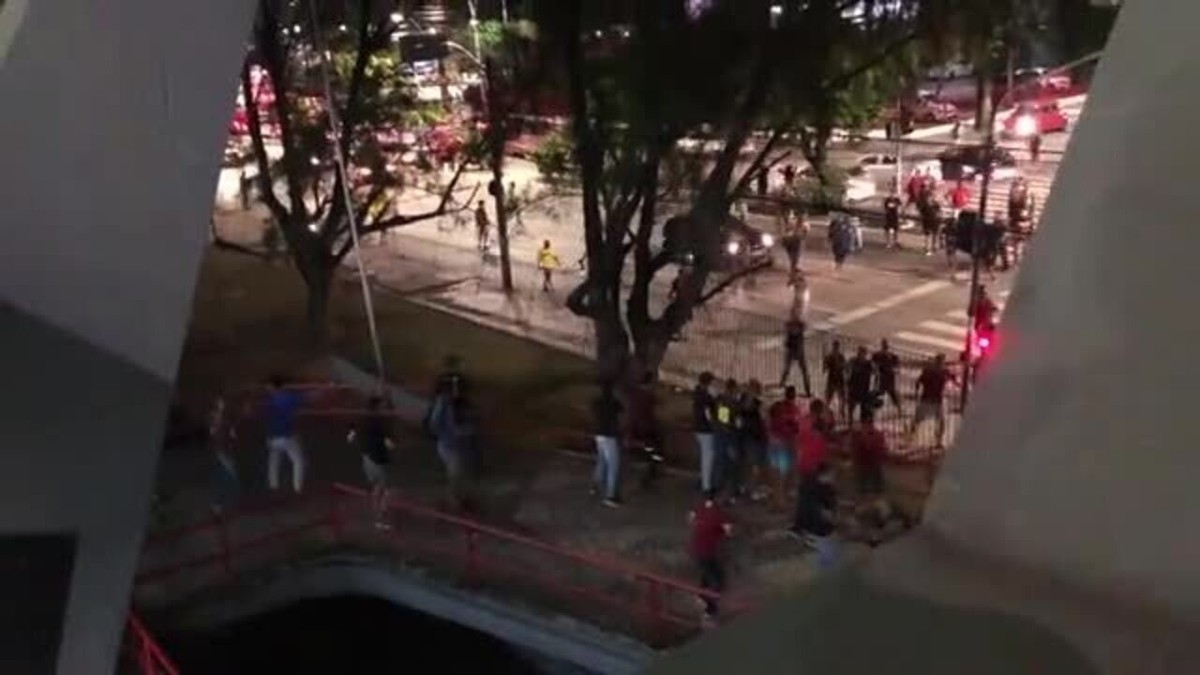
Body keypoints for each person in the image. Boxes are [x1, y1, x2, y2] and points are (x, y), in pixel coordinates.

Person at [347, 395, 395, 528]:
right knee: (384, 490)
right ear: (377, 407)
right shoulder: (377, 423)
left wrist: (351, 435)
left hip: (367, 458)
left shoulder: (362, 419)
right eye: (381, 406)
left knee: (377, 489)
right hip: (377, 459)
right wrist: (388, 442)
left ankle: (379, 517)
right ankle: (381, 518)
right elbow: (386, 441)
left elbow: (352, 430)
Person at [429, 388, 479, 509]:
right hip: (450, 447)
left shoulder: (447, 406)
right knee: (455, 475)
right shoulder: (446, 406)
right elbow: (443, 428)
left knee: (458, 473)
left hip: (451, 446)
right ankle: (454, 502)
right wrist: (467, 431)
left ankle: (457, 499)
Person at [689, 489, 733, 624]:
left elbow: (690, 519)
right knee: (716, 580)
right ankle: (710, 611)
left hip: (696, 549)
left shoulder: (698, 508)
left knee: (708, 572)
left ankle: (700, 595)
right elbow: (728, 531)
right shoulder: (719, 514)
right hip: (709, 551)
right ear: (716, 498)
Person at [789, 461, 839, 570]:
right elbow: (812, 509)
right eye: (832, 474)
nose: (834, 477)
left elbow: (831, 509)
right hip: (814, 527)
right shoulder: (810, 487)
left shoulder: (829, 489)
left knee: (829, 557)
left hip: (819, 527)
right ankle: (808, 536)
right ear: (826, 473)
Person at [264, 376, 307, 494]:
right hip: (286, 436)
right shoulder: (289, 398)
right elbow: (307, 397)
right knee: (298, 461)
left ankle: (273, 487)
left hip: (273, 438)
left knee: (273, 462)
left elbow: (263, 417)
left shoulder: (269, 401)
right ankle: (297, 488)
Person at [907, 353, 956, 449]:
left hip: (930, 398)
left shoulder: (931, 371)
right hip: (933, 399)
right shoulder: (941, 371)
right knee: (938, 421)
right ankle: (937, 441)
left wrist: (916, 393)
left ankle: (911, 437)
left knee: (921, 419)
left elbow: (918, 382)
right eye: (941, 361)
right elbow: (952, 378)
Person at [625, 371, 664, 491]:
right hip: (645, 430)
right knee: (652, 452)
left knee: (651, 452)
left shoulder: (635, 394)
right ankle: (648, 475)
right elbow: (649, 413)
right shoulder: (647, 396)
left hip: (636, 428)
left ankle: (650, 472)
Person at [766, 386, 802, 510]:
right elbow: (795, 427)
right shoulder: (793, 410)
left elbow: (769, 421)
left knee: (776, 472)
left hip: (773, 442)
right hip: (782, 443)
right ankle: (780, 501)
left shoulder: (777, 406)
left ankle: (777, 499)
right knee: (782, 473)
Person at [590, 382, 624, 507]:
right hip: (610, 436)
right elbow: (622, 412)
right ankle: (610, 495)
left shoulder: (596, 403)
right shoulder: (614, 404)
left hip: (598, 435)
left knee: (602, 461)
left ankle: (595, 485)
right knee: (613, 465)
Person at [736, 380, 767, 502]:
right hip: (753, 438)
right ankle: (753, 490)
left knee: (750, 464)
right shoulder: (755, 405)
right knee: (755, 465)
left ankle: (746, 486)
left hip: (747, 437)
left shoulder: (741, 402)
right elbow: (763, 419)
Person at [208, 395, 239, 514]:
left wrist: (232, 433)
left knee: (226, 475)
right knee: (226, 475)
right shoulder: (214, 416)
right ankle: (217, 504)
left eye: (223, 402)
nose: (223, 404)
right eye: (220, 402)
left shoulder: (225, 417)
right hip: (220, 451)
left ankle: (220, 503)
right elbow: (213, 433)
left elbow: (231, 433)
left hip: (226, 449)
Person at [714, 378, 741, 500]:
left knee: (723, 464)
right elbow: (724, 421)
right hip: (728, 437)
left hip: (723, 436)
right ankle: (724, 493)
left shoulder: (722, 400)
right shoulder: (727, 402)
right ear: (732, 389)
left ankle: (721, 490)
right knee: (728, 465)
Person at [692, 372, 719, 493]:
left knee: (705, 456)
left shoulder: (697, 393)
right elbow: (708, 414)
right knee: (707, 457)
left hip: (698, 428)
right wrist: (714, 425)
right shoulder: (706, 397)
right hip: (706, 430)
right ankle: (706, 486)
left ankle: (703, 480)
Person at [852, 411, 888, 498]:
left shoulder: (861, 435)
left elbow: (882, 450)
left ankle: (870, 490)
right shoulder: (860, 435)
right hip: (868, 465)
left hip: (870, 465)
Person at [779, 316, 812, 396]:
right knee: (787, 370)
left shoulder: (798, 325)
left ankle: (807, 390)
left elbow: (804, 326)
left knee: (804, 372)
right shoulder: (791, 326)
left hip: (798, 351)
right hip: (793, 351)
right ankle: (781, 385)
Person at [846, 346, 876, 423]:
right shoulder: (853, 361)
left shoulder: (868, 364)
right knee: (851, 409)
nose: (860, 354)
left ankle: (862, 423)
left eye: (863, 353)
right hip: (854, 389)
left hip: (863, 390)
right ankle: (850, 423)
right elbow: (847, 372)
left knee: (863, 410)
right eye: (859, 352)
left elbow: (875, 372)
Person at [871, 339, 901, 410]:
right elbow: (873, 364)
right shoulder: (879, 355)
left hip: (886, 378)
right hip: (883, 378)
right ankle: (899, 409)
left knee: (889, 393)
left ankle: (899, 409)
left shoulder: (882, 355)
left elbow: (897, 366)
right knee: (888, 393)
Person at [822, 341, 847, 417]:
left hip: (838, 379)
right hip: (833, 379)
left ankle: (841, 411)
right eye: (835, 347)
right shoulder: (830, 356)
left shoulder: (840, 356)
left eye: (836, 347)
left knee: (842, 398)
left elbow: (845, 368)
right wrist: (825, 362)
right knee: (829, 398)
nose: (835, 348)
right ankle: (827, 413)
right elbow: (824, 369)